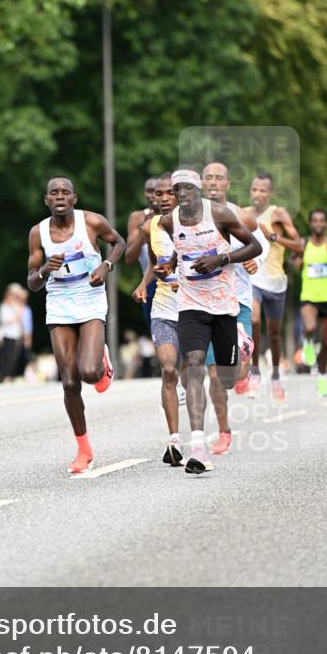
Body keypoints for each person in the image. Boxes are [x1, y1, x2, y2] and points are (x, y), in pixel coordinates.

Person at [155, 167, 261, 476]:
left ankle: (243, 343)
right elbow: (181, 248)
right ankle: (198, 447)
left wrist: (222, 258)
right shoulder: (168, 221)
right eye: (178, 189)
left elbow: (255, 246)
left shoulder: (219, 214)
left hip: (225, 306)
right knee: (195, 366)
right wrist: (170, 265)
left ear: (198, 190)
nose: (182, 194)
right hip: (191, 305)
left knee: (226, 379)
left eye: (188, 188)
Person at [27, 176, 125, 474]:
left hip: (90, 298)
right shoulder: (38, 233)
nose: (60, 197)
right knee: (69, 382)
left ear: (74, 198)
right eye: (54, 193)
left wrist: (106, 265)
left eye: (65, 192)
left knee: (90, 373)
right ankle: (83, 450)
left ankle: (101, 362)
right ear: (46, 200)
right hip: (59, 304)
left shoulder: (91, 222)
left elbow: (118, 242)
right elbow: (32, 283)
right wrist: (45, 270)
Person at [201, 162, 268, 454]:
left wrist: (256, 260)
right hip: (205, 303)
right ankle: (223, 432)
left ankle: (245, 367)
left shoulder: (241, 215)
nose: (214, 182)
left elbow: (261, 243)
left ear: (228, 185)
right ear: (202, 184)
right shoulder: (191, 217)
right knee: (215, 374)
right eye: (209, 178)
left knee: (236, 374)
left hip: (237, 300)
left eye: (219, 178)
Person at [133, 172, 185, 466]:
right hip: (163, 307)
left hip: (193, 309)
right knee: (168, 369)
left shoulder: (197, 224)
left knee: (191, 370)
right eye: (159, 194)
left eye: (170, 193)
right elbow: (153, 261)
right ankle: (174, 440)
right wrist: (144, 284)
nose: (163, 198)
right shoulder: (149, 226)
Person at [245, 172, 303, 399]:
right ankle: (254, 371)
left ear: (270, 193)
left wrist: (273, 237)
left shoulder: (278, 214)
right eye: (254, 189)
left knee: (274, 333)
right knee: (253, 320)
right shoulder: (244, 214)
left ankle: (276, 375)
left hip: (276, 281)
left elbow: (298, 245)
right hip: (253, 278)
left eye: (262, 190)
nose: (257, 194)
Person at [296, 209, 327, 397]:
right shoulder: (304, 243)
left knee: (326, 343)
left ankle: (322, 378)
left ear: (326, 224)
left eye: (321, 220)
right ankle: (308, 341)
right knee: (309, 327)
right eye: (315, 220)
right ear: (310, 223)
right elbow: (294, 263)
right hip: (308, 296)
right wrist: (298, 260)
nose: (318, 223)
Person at [125, 177, 158, 332]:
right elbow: (129, 259)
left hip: (177, 281)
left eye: (158, 192)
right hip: (150, 283)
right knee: (158, 335)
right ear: (144, 194)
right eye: (150, 191)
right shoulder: (138, 217)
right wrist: (144, 230)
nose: (154, 196)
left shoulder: (176, 216)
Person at [0, 284, 25, 382]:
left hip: (15, 335)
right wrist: (15, 316)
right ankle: (5, 376)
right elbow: (6, 320)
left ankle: (9, 375)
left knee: (14, 357)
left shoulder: (14, 307)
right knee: (7, 357)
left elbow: (20, 315)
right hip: (7, 335)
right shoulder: (3, 307)